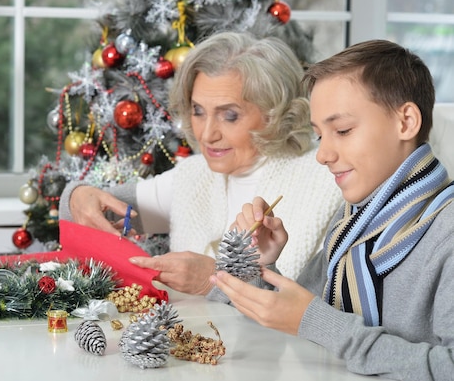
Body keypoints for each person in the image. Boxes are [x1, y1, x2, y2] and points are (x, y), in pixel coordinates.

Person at [209, 39, 454, 381]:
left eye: (342, 130)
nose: (323, 154)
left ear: (406, 122)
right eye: (320, 135)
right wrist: (259, 265)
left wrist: (314, 321)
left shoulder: (447, 233)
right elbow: (303, 321)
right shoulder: (353, 221)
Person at [58, 31, 342, 294]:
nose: (206, 134)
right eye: (197, 111)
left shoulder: (327, 181)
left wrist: (214, 280)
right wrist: (77, 196)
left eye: (229, 115)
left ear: (276, 112)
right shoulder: (192, 176)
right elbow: (88, 212)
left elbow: (317, 312)